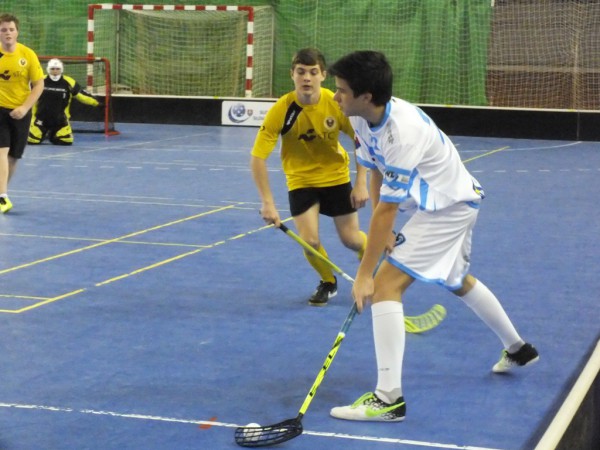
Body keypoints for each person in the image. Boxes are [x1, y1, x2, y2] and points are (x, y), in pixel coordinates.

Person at [327, 51, 539, 421]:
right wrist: (383, 231)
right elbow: (375, 172)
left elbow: (387, 209)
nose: (335, 95)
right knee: (456, 279)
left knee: (384, 287)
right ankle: (518, 349)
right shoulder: (360, 116)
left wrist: (363, 276)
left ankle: (388, 400)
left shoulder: (402, 133)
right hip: (447, 203)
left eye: (342, 90)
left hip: (447, 208)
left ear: (366, 96)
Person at [251, 48, 369, 306]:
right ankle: (328, 281)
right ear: (292, 75)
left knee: (351, 240)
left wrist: (361, 182)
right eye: (301, 72)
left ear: (323, 75)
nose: (307, 78)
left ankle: (370, 262)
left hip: (336, 179)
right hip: (301, 181)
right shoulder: (282, 109)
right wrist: (267, 202)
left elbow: (362, 141)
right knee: (310, 241)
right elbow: (258, 157)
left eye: (313, 72)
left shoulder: (335, 103)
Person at [0, 13, 44, 214]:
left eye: (11, 29)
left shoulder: (27, 55)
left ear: (17, 32)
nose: (7, 33)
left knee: (13, 157)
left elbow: (38, 84)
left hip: (21, 111)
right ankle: (2, 197)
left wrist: (25, 108)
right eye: (3, 30)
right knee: (1, 151)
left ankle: (2, 192)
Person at [28, 58, 100, 146]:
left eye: (57, 69)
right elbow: (25, 93)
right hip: (39, 118)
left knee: (66, 141)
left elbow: (82, 96)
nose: (55, 71)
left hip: (60, 120)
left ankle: (52, 134)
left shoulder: (69, 82)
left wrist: (96, 103)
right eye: (52, 69)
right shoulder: (39, 81)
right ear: (48, 69)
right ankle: (41, 132)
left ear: (61, 69)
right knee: (32, 141)